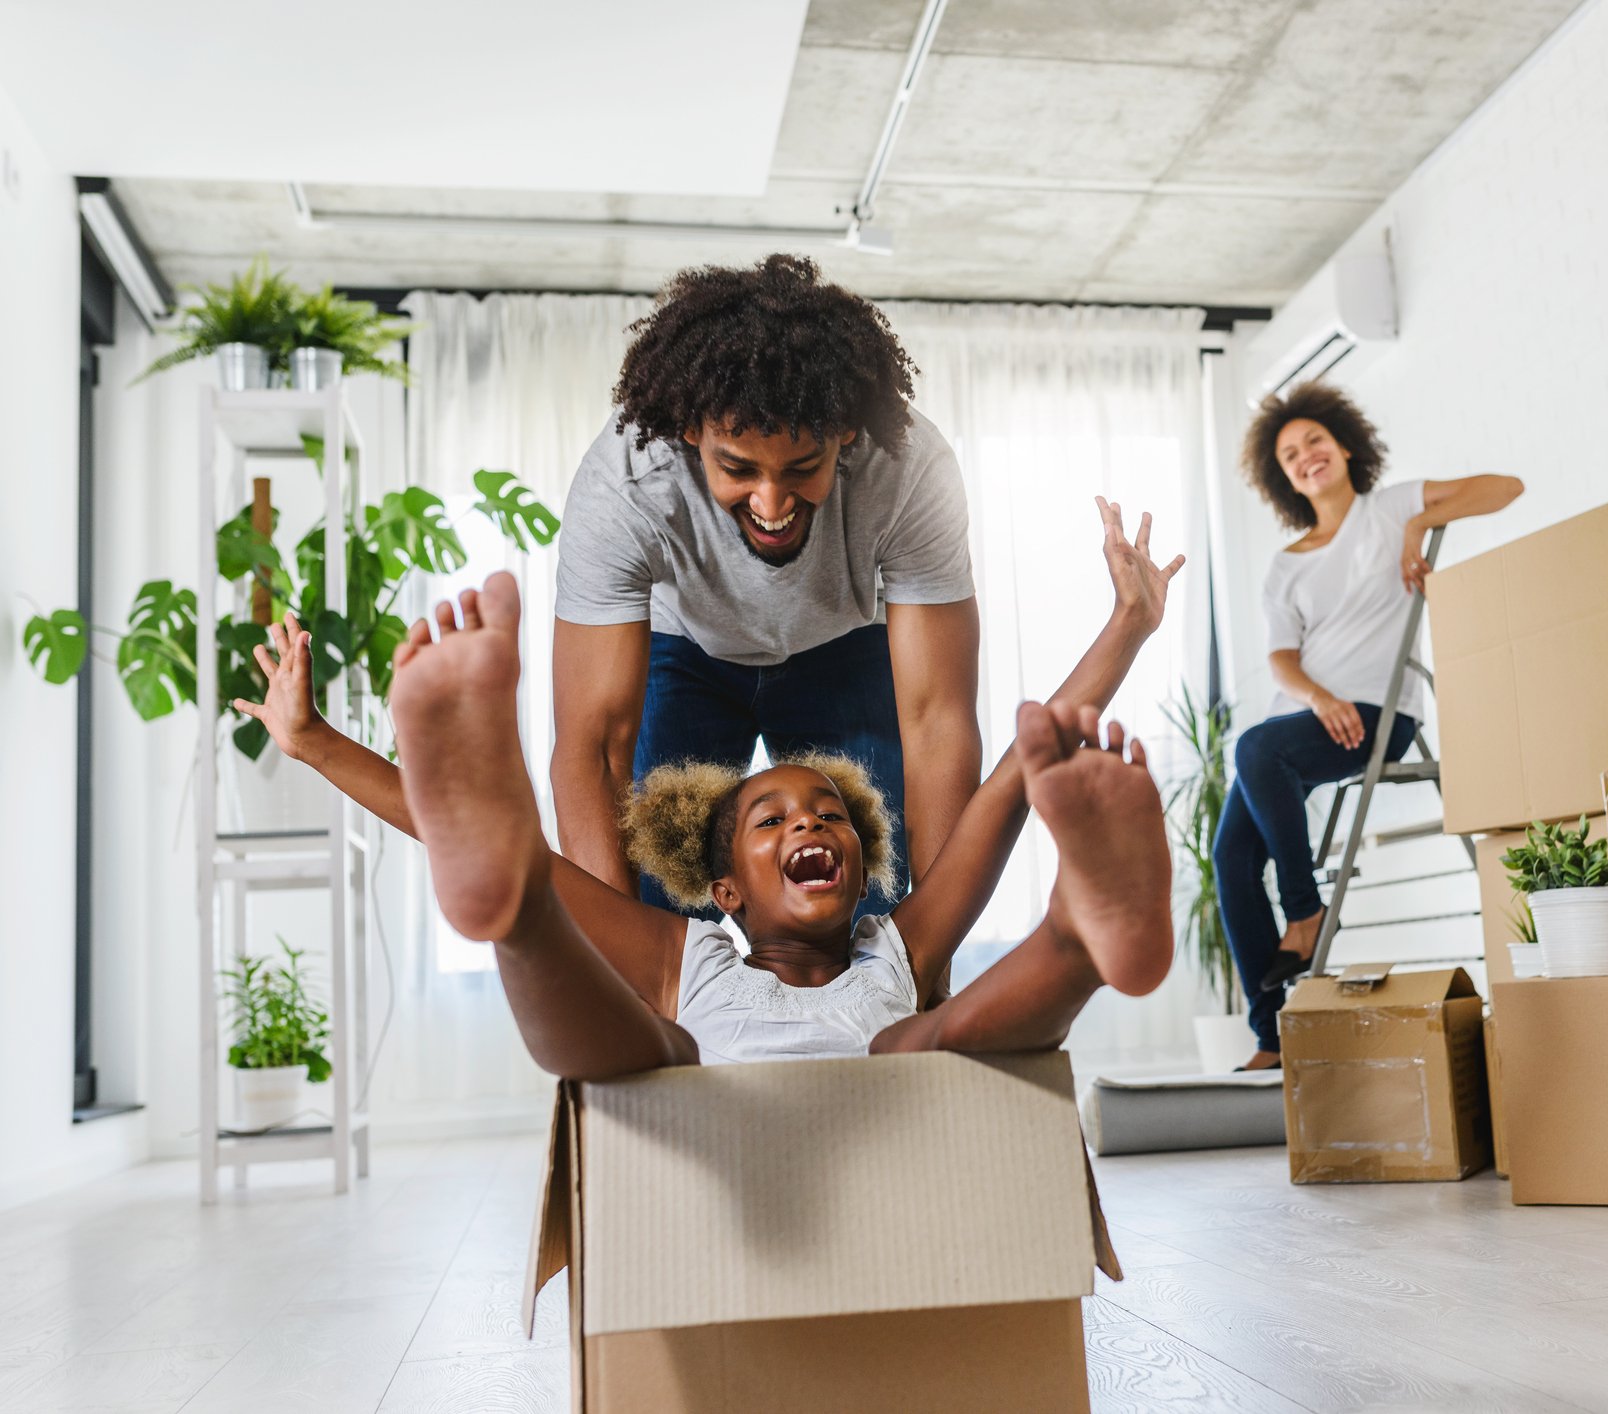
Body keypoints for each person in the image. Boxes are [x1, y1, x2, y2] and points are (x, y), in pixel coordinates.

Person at [232, 501, 1181, 1064]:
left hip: (888, 1109)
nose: (809, 821)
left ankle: (1079, 935)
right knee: (653, 1051)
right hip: (705, 1119)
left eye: (829, 815)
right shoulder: (687, 962)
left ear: (859, 864)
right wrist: (311, 739)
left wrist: (1128, 627)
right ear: (723, 892)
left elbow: (1019, 775)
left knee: (918, 1047)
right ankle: (509, 901)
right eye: (769, 819)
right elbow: (451, 827)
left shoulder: (900, 951)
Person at [551, 254, 980, 926]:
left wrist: (931, 952)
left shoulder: (908, 469)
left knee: (885, 898)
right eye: (738, 468)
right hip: (684, 650)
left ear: (844, 435)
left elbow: (937, 727)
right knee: (656, 901)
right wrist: (620, 962)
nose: (771, 500)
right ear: (691, 435)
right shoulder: (623, 487)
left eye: (803, 467)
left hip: (841, 647)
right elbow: (594, 748)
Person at [1216, 382, 1522, 1071]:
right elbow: (1279, 661)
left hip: (1381, 714)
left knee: (1256, 749)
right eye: (1290, 454)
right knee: (1230, 858)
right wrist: (1318, 698)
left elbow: (1506, 486)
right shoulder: (1284, 565)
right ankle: (1270, 1037)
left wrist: (1417, 528)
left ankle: (1305, 913)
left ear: (1344, 444)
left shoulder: (1389, 509)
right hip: (1304, 719)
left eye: (1314, 442)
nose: (1305, 457)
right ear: (1282, 476)